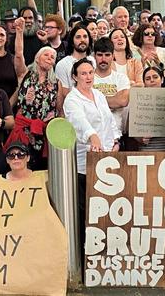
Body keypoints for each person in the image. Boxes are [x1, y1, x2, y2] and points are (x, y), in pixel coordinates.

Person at [63, 58, 121, 251]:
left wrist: (115, 140)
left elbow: (110, 120)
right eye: (83, 73)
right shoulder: (72, 99)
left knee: (104, 207)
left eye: (90, 73)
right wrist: (92, 136)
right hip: (84, 162)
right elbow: (79, 121)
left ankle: (103, 251)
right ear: (75, 77)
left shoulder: (99, 94)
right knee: (84, 210)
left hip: (106, 159)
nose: (88, 77)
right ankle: (83, 253)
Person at [7, 33, 58, 170]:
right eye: (46, 55)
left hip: (44, 131)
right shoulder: (25, 74)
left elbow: (60, 107)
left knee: (42, 170)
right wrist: (19, 31)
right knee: (22, 166)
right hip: (24, 130)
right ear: (37, 58)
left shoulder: (56, 83)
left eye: (52, 57)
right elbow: (18, 54)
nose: (49, 58)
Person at [92, 38, 130, 134]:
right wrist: (113, 100)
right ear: (94, 56)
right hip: (93, 132)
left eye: (107, 55)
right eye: (100, 55)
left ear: (113, 56)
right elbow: (83, 103)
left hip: (116, 133)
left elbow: (122, 101)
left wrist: (94, 100)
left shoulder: (121, 78)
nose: (103, 59)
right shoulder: (88, 78)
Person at [55, 26, 94, 115]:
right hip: (74, 111)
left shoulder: (94, 61)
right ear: (72, 41)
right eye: (78, 37)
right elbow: (65, 93)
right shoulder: (63, 64)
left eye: (85, 36)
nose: (82, 40)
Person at [136, 66, 165, 152]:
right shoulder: (137, 100)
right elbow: (131, 127)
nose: (152, 80)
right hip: (147, 149)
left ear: (162, 79)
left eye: (155, 77)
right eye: (148, 78)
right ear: (144, 82)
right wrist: (139, 138)